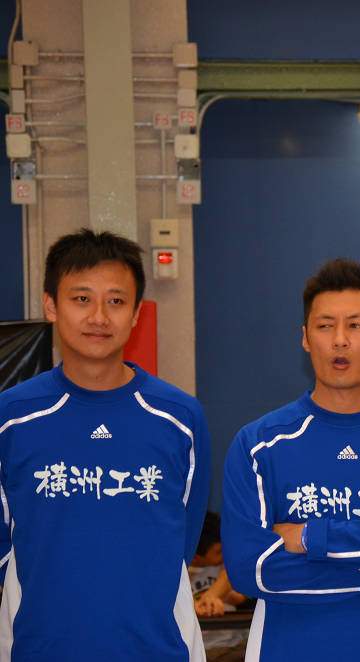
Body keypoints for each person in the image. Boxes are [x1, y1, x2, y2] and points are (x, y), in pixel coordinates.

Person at [222, 259, 360, 661]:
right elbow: (250, 568)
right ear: (305, 338)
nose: (340, 340)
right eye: (325, 326)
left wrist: (310, 538)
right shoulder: (259, 444)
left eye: (356, 326)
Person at [0, 229, 211, 660]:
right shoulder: (12, 417)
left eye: (115, 301)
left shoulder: (180, 418)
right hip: (41, 649)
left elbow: (181, 537)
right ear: (50, 305)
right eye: (81, 299)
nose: (98, 317)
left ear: (136, 315)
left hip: (157, 650)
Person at [191, 512, 248, 660]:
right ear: (196, 557)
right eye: (218, 552)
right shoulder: (183, 573)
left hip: (231, 643)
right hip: (200, 647)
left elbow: (239, 595)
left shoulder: (226, 567)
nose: (224, 554)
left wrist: (220, 596)